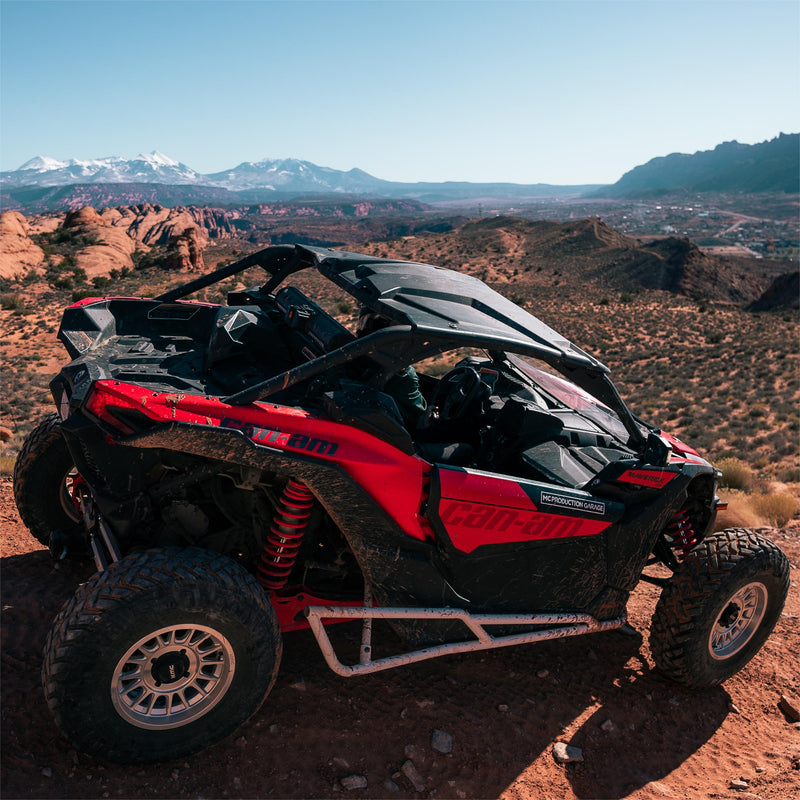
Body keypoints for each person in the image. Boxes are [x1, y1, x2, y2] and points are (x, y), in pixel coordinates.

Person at [357, 308, 427, 429]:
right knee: (465, 448)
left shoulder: (354, 355)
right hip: (391, 435)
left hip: (368, 423)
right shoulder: (403, 374)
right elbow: (418, 415)